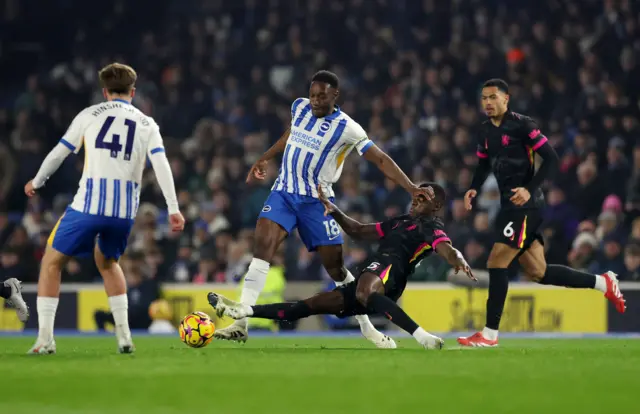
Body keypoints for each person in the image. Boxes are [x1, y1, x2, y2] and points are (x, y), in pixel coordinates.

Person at [215, 70, 431, 348]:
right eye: (313, 94)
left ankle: (366, 328)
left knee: (336, 269)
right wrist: (265, 157)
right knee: (262, 249)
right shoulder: (299, 106)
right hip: (283, 193)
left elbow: (380, 159)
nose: (315, 101)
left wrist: (412, 187)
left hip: (317, 203)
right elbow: (291, 134)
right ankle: (240, 324)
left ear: (335, 96)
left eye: (322, 96)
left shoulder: (348, 127)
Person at [24, 63, 185, 354]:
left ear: (104, 91)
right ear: (133, 92)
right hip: (123, 214)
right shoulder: (147, 123)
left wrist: (37, 180)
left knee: (51, 262)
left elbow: (59, 152)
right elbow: (162, 166)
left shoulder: (88, 115)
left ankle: (45, 339)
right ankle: (124, 337)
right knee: (109, 263)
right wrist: (173, 208)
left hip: (88, 205)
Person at [457, 79, 626, 348]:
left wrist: (528, 188)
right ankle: (603, 283)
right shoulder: (484, 131)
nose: (487, 103)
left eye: (493, 97)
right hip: (509, 206)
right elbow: (482, 164)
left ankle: (489, 335)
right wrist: (473, 189)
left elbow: (552, 158)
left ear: (506, 99)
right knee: (539, 272)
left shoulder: (523, 125)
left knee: (497, 260)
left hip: (528, 205)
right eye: (484, 98)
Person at [208, 183, 474, 350]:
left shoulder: (430, 226)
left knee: (365, 290)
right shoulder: (400, 221)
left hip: (390, 273)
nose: (416, 200)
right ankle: (243, 310)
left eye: (423, 198)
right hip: (372, 278)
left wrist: (458, 260)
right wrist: (334, 210)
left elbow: (445, 248)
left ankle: (421, 336)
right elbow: (358, 231)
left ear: (436, 206)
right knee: (308, 306)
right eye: (416, 195)